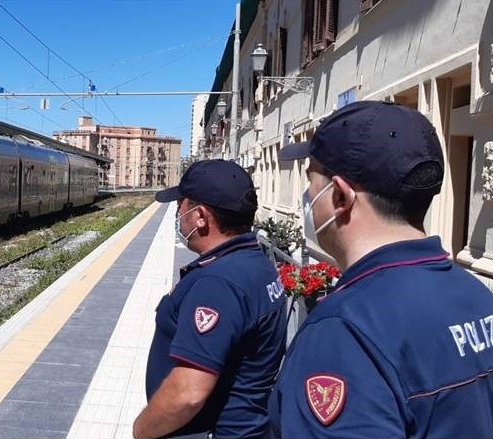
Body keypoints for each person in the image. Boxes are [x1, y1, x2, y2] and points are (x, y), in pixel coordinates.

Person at [270, 100, 493, 437]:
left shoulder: (343, 330)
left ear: (341, 197)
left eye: (311, 182)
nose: (306, 196)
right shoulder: (475, 293)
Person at [134, 159, 288, 439]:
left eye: (181, 204)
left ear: (200, 216)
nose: (178, 213)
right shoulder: (256, 263)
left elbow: (189, 393)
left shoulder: (217, 284)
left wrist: (142, 430)